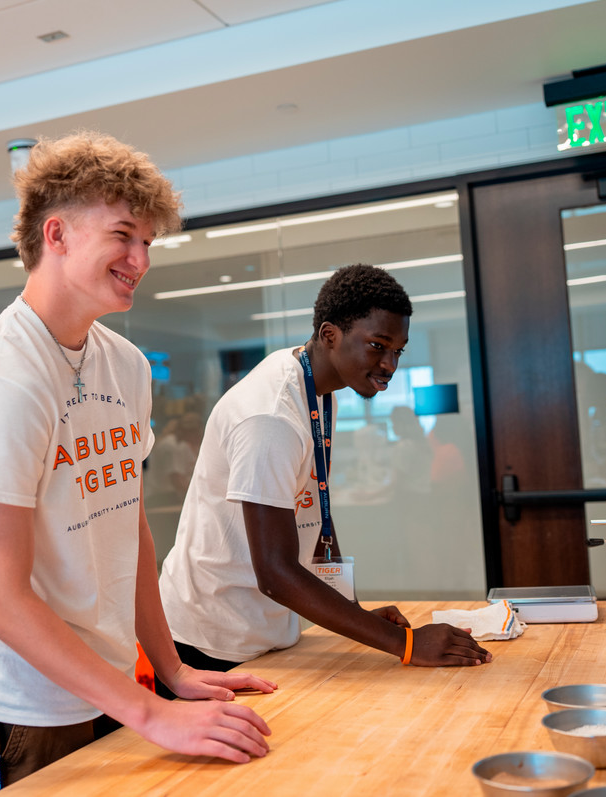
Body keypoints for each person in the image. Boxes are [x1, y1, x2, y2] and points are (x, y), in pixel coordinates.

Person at [0, 132, 274, 796]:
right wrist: (152, 713)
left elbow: (125, 521)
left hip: (107, 686)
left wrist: (170, 669)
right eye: (124, 235)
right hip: (12, 701)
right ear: (56, 235)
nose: (141, 258)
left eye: (148, 242)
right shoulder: (4, 382)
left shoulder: (127, 364)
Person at [158, 264, 493, 677]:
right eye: (377, 345)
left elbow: (307, 517)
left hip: (268, 628)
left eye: (398, 350)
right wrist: (404, 644)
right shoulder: (272, 416)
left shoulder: (316, 387)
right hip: (212, 639)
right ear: (329, 335)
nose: (390, 364)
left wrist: (357, 614)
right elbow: (276, 574)